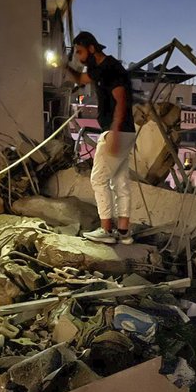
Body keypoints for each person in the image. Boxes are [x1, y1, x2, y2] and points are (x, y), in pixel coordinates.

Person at [64, 31, 137, 245]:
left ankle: (106, 230)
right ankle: (123, 232)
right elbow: (81, 78)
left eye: (80, 51)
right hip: (127, 132)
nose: (77, 56)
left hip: (116, 131)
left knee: (98, 179)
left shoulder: (109, 69)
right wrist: (63, 66)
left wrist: (114, 131)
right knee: (120, 181)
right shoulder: (100, 69)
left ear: (92, 48)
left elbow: (121, 99)